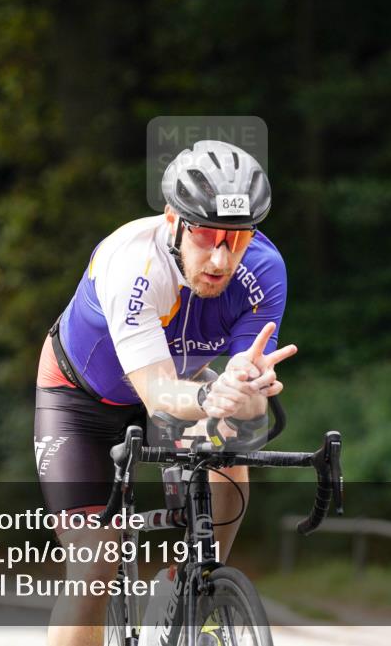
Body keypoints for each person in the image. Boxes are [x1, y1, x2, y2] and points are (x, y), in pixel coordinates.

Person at [34, 140, 296, 646]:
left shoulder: (264, 269)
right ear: (173, 220)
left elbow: (243, 380)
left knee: (230, 445)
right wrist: (212, 399)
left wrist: (247, 393)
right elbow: (156, 394)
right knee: (95, 562)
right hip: (81, 400)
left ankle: (194, 580)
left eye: (238, 238)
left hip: (182, 382)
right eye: (207, 236)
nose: (222, 257)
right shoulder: (133, 263)